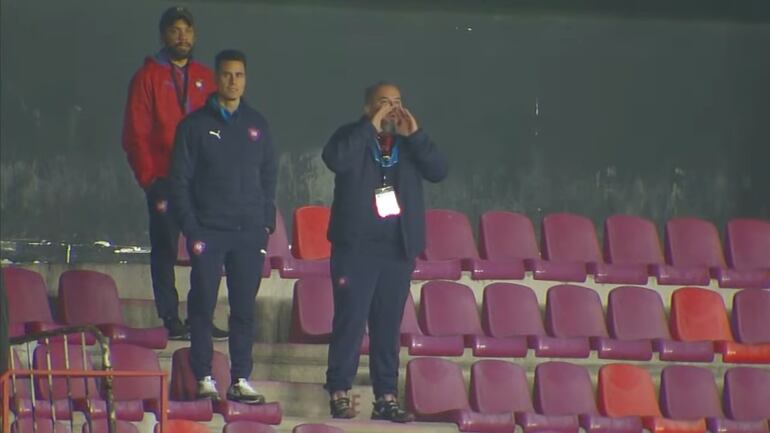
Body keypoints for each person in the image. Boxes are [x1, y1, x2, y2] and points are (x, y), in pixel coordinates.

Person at [322, 82, 448, 422]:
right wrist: (369, 128)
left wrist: (417, 134)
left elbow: (438, 170)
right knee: (350, 321)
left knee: (388, 326)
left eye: (397, 102)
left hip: (397, 249)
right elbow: (335, 159)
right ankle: (339, 392)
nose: (392, 109)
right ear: (367, 108)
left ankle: (386, 397)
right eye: (383, 103)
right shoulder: (351, 135)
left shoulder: (410, 143)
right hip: (356, 249)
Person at [169, 49, 277, 403]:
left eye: (240, 75)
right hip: (208, 231)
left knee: (244, 307)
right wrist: (191, 227)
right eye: (227, 75)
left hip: (248, 233)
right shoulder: (194, 125)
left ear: (246, 79)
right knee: (202, 304)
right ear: (216, 78)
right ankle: (204, 377)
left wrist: (264, 225)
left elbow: (269, 176)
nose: (233, 81)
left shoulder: (258, 124)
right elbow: (179, 181)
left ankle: (240, 378)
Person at [122, 6, 227, 340]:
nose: (182, 36)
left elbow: (220, 128)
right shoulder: (147, 76)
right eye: (174, 30)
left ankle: (201, 318)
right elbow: (135, 134)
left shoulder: (207, 77)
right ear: (163, 35)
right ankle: (171, 318)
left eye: (187, 30)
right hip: (165, 180)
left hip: (202, 183)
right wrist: (149, 179)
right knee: (165, 249)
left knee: (206, 251)